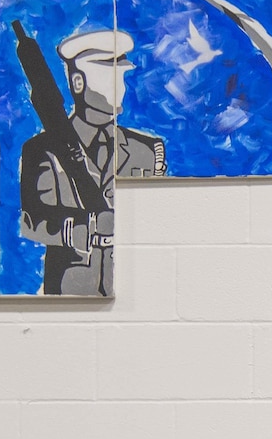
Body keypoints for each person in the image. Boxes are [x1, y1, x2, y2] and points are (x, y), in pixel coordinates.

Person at [19, 30, 166, 296]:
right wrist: (87, 224)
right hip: (66, 289)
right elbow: (32, 219)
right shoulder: (41, 150)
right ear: (77, 83)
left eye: (121, 75)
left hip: (134, 290)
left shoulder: (145, 150)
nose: (119, 85)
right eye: (109, 76)